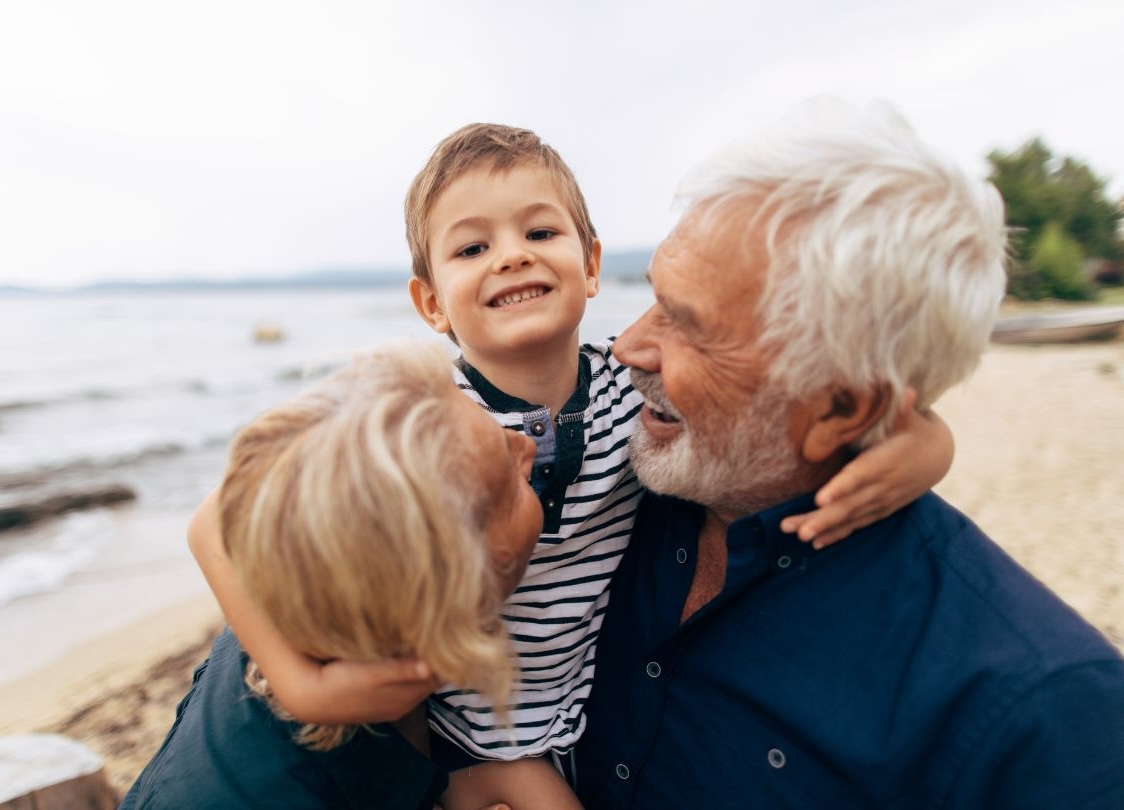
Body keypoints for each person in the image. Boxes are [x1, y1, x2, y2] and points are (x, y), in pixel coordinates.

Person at [189, 123, 958, 809]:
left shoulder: (636, 379)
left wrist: (927, 447)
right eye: (471, 247)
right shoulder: (415, 411)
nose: (511, 255)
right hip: (465, 729)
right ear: (431, 303)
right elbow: (214, 522)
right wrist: (298, 680)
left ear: (591, 264)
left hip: (586, 713)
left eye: (539, 231)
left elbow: (807, 400)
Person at [573, 100, 1124, 808]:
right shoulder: (598, 487)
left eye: (689, 325)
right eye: (655, 297)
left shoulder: (1041, 720)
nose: (626, 347)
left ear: (844, 409)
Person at [121, 342, 547, 808]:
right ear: (442, 611)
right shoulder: (291, 790)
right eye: (510, 479)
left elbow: (217, 514)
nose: (525, 444)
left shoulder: (304, 583)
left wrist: (299, 687)